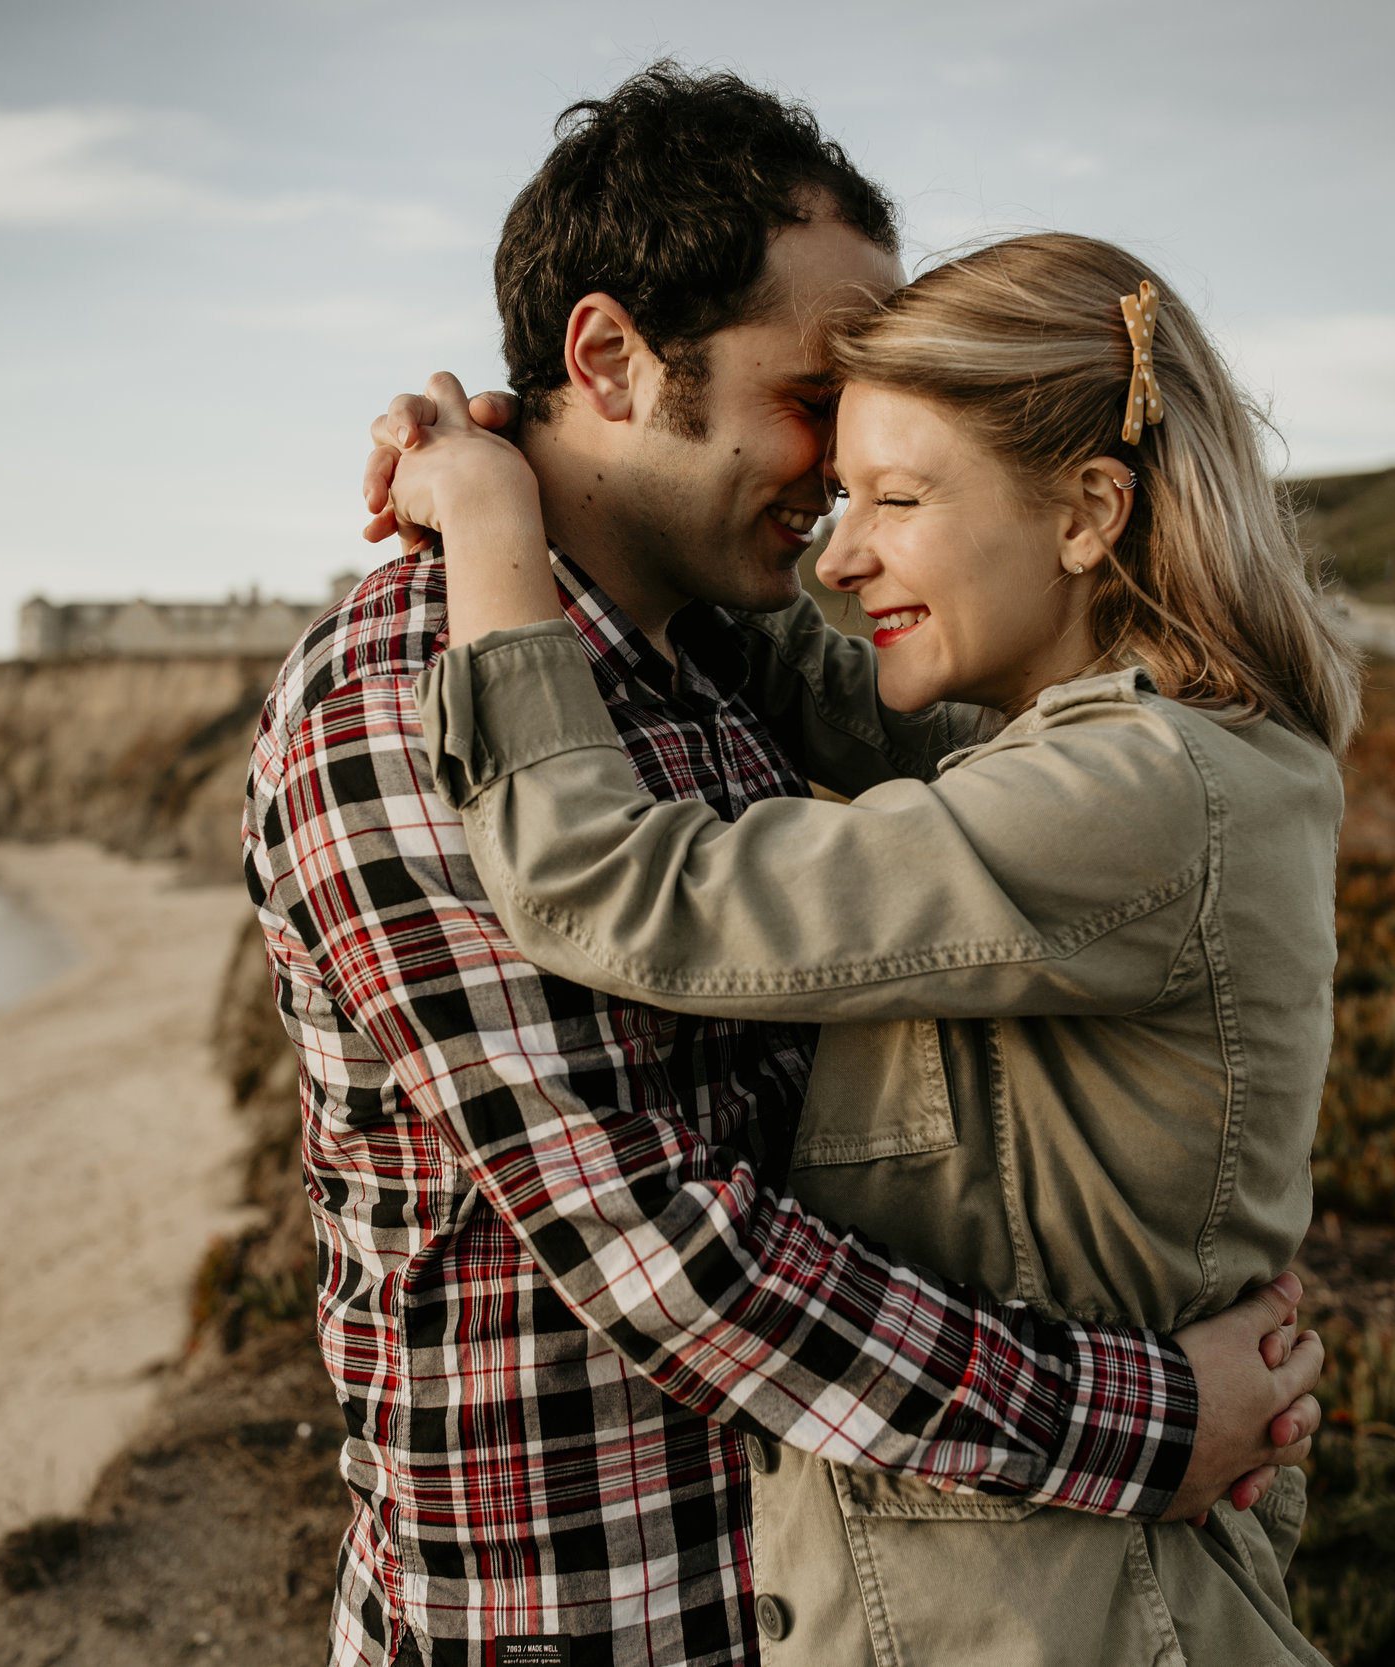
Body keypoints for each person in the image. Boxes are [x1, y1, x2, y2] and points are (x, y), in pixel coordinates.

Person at [246, 66, 1322, 1667]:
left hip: (848, 1598)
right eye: (819, 401)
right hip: (585, 1619)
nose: (835, 492)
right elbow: (664, 1249)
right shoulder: (413, 699)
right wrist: (1148, 1420)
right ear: (609, 357)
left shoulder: (705, 668)